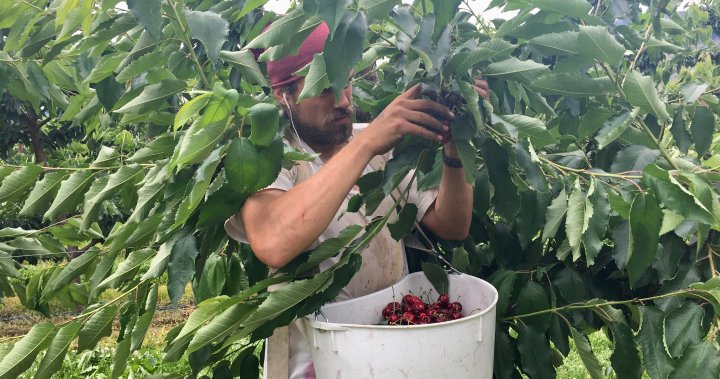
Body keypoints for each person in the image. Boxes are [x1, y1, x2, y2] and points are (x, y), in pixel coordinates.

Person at [225, 22, 489, 379]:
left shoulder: (382, 152)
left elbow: (452, 225)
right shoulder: (269, 160)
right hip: (317, 363)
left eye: (346, 82)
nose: (344, 100)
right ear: (282, 95)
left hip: (395, 349)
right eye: (324, 88)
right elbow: (273, 241)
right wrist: (367, 144)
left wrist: (454, 147)